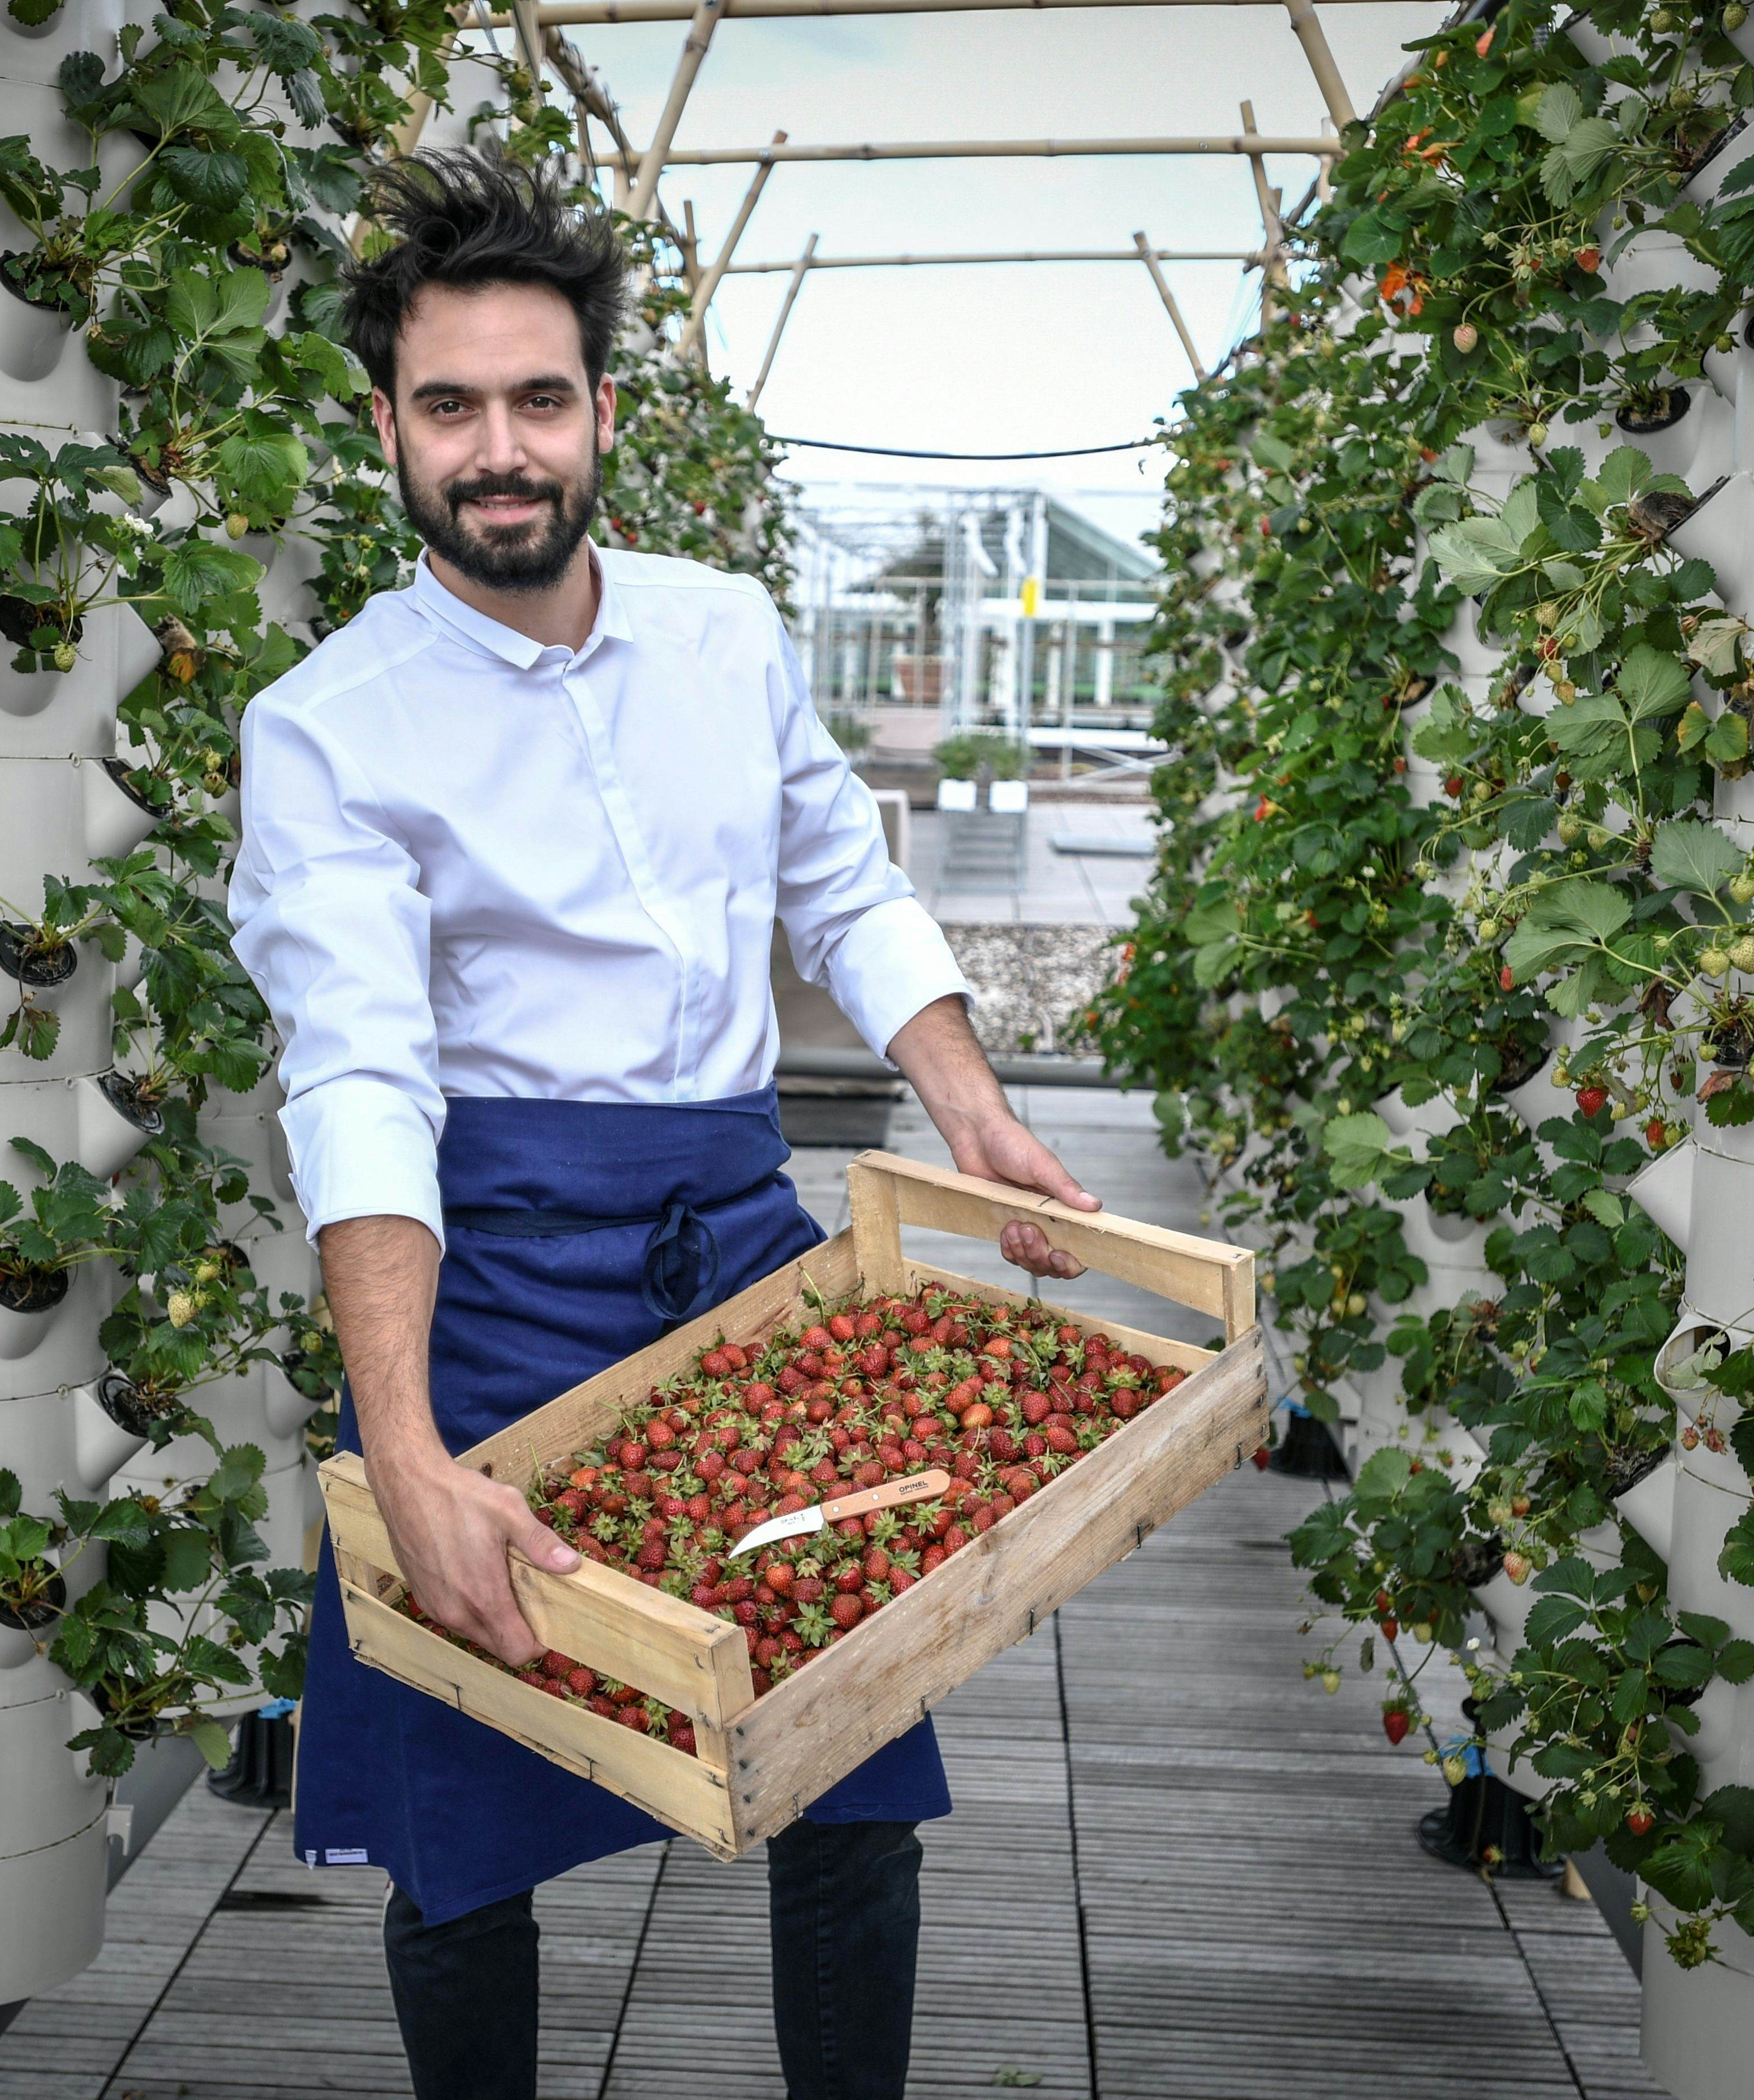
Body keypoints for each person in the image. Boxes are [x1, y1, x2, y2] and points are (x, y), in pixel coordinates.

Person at [226, 148, 1099, 2100]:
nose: (500, 448)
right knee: (465, 1841)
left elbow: (842, 881)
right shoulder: (328, 726)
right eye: (448, 407)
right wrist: (404, 1447)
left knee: (858, 1772)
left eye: (540, 397)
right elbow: (358, 1081)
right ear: (387, 429)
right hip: (500, 1274)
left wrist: (972, 1107)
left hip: (746, 1244)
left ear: (605, 411)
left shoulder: (721, 632)